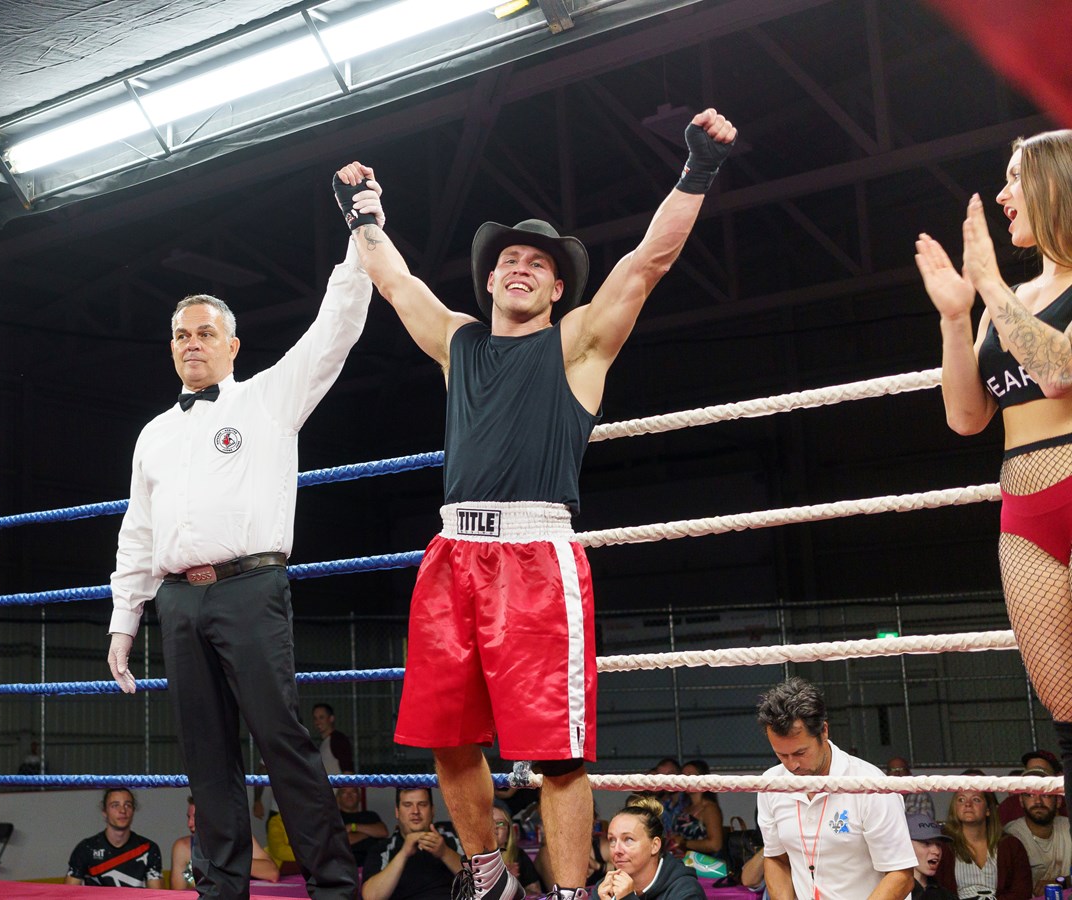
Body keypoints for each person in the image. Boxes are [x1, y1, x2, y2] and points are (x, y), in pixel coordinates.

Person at [336, 107, 737, 900]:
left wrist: (697, 170)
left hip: (535, 560)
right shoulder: (457, 341)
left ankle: (566, 892)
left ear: (557, 287)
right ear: (489, 280)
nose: (520, 267)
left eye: (537, 263)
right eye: (508, 259)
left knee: (557, 754)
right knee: (444, 739)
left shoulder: (578, 343)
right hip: (452, 555)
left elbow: (647, 263)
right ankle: (489, 872)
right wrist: (363, 214)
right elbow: (394, 281)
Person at [106, 203, 373, 900]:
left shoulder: (266, 402)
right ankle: (222, 889)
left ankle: (336, 890)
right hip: (178, 600)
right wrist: (122, 621)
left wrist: (361, 231)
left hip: (251, 591)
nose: (191, 343)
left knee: (284, 743)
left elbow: (334, 331)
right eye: (181, 334)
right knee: (206, 757)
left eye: (205, 333)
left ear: (232, 344)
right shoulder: (152, 434)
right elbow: (138, 531)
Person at [915, 127, 1072, 811]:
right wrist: (957, 315)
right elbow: (966, 416)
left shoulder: (1010, 295)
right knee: (1066, 713)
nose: (1004, 195)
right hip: (1025, 511)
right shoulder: (1007, 299)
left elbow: (1058, 371)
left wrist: (989, 287)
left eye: (1015, 179)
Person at [753, 677, 915, 900]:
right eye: (782, 755)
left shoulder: (869, 785)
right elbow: (775, 858)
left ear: (824, 731)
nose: (792, 765)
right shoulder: (773, 783)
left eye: (800, 753)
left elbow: (901, 874)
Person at [595, 796, 705, 900]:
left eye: (628, 839)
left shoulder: (685, 890)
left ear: (655, 845)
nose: (617, 850)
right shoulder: (604, 889)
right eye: (612, 840)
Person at [361, 789, 464, 900]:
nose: (415, 811)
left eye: (422, 804)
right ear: (397, 811)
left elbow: (481, 881)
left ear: (432, 810)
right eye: (407, 805)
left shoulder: (452, 838)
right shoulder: (383, 849)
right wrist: (403, 853)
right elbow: (370, 897)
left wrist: (445, 853)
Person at [937, 789, 1031, 900]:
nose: (967, 804)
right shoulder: (942, 844)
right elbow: (934, 891)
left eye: (976, 799)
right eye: (961, 800)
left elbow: (1022, 892)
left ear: (988, 810)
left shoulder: (1011, 845)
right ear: (955, 809)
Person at [170, 796, 278, 890]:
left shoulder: (240, 837)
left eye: (196, 817)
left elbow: (272, 873)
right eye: (188, 817)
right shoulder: (183, 848)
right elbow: (177, 895)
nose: (190, 823)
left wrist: (227, 859)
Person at [65, 788, 163, 889]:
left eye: (128, 805)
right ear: (104, 811)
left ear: (133, 810)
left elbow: (157, 895)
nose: (122, 810)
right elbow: (68, 895)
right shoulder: (86, 848)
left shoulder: (148, 849)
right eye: (115, 805)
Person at [1002, 765, 1071, 893]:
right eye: (1030, 794)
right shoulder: (1011, 836)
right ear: (1021, 801)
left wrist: (1060, 882)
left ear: (1059, 801)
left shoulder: (1068, 827)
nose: (1038, 801)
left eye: (1045, 794)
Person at [674, 760, 725, 878]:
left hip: (704, 868)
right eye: (683, 775)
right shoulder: (686, 808)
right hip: (685, 866)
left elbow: (715, 844)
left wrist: (684, 843)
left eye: (690, 775)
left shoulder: (709, 808)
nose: (685, 779)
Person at [999, 750, 1064, 823]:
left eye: (1042, 772)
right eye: (1030, 772)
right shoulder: (1009, 805)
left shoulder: (1068, 804)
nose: (1038, 801)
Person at [493, 805, 544, 897]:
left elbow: (536, 893)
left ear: (508, 832)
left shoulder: (518, 855)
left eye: (500, 823)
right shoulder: (470, 859)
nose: (494, 827)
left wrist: (514, 887)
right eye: (488, 822)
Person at [338, 785, 390, 871]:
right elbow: (342, 840)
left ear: (359, 796)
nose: (349, 795)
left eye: (353, 792)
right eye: (344, 792)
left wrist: (353, 826)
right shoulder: (333, 818)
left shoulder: (371, 816)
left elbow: (383, 832)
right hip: (344, 869)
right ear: (338, 798)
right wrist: (369, 833)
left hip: (374, 867)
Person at [907, 812, 957, 900]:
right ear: (905, 845)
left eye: (938, 844)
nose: (937, 851)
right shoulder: (892, 892)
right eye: (926, 843)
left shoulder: (946, 896)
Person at [886, 756, 937, 820]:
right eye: (893, 770)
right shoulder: (880, 796)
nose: (897, 773)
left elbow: (925, 823)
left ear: (909, 773)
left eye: (901, 769)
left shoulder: (921, 795)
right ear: (886, 774)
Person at [313, 704, 355, 775]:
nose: (318, 722)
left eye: (321, 717)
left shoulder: (338, 740)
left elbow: (348, 771)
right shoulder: (325, 743)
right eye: (315, 718)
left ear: (331, 718)